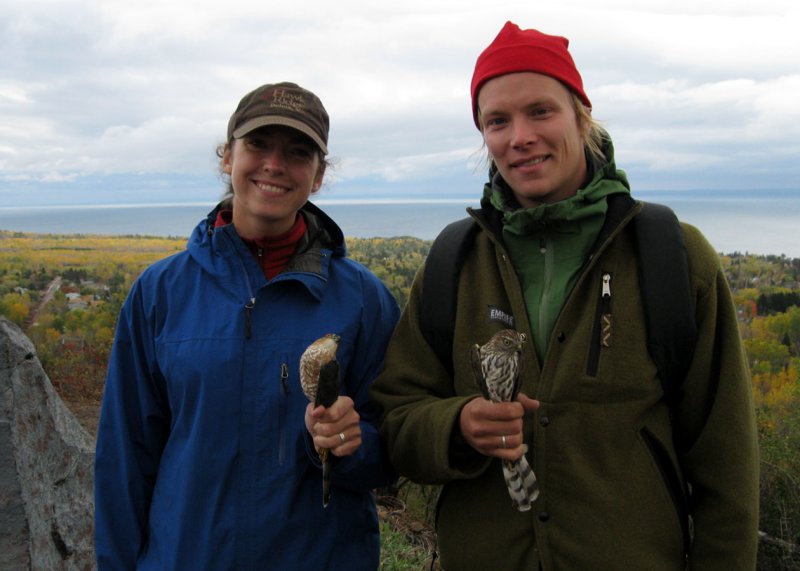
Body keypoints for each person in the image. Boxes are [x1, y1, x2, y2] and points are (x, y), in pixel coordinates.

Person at [370, 21, 759, 570]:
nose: (519, 136)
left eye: (540, 111)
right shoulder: (453, 263)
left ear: (581, 115)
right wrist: (455, 426)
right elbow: (396, 417)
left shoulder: (673, 256)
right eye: (496, 121)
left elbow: (727, 462)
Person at [94, 82, 400, 570]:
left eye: (298, 153)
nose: (274, 165)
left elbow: (392, 449)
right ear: (227, 156)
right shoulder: (160, 293)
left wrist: (345, 445)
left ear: (318, 176)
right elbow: (124, 458)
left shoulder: (362, 300)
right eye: (258, 145)